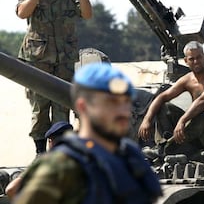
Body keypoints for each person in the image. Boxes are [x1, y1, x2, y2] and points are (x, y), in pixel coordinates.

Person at [13, 63, 162, 203]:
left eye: (125, 103)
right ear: (83, 107)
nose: (122, 112)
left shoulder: (131, 156)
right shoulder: (60, 163)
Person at [16, 0, 92, 155]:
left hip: (64, 61)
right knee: (39, 107)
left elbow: (87, 14)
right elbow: (22, 13)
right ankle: (40, 151)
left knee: (62, 105)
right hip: (38, 60)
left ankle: (61, 150)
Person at [138, 41, 204, 159]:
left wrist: (182, 120)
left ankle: (164, 150)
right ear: (186, 61)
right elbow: (162, 97)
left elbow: (203, 101)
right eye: (192, 59)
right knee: (165, 107)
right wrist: (147, 119)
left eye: (199, 57)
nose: (196, 62)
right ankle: (162, 143)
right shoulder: (188, 80)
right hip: (200, 135)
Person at [5, 121, 74, 201]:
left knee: (14, 176)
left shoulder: (44, 164)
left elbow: (10, 189)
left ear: (50, 142)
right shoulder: (85, 161)